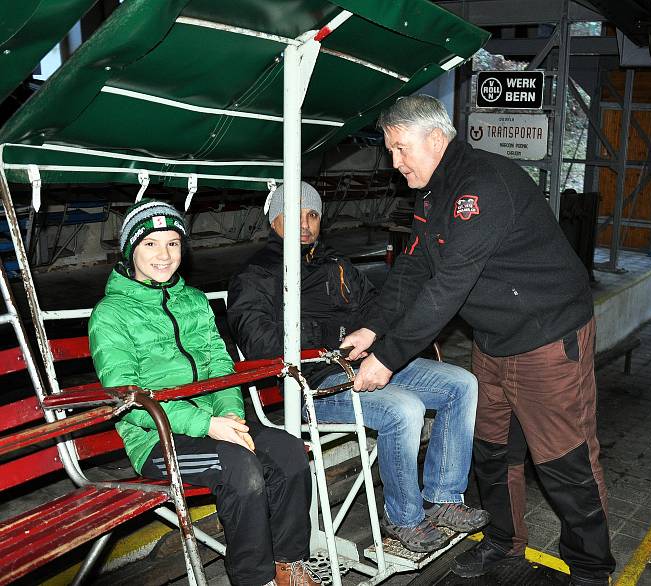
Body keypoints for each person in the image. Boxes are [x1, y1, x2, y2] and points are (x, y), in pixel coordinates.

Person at [342, 95, 616, 586]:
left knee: (565, 462)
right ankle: (503, 547)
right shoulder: (431, 191)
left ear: (435, 139)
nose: (395, 162)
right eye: (391, 152)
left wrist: (388, 357)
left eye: (401, 149)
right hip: (494, 340)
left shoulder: (483, 185)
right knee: (493, 454)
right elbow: (413, 268)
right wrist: (373, 328)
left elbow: (448, 285)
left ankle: (592, 571)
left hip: (546, 340)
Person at [226, 181, 489, 554]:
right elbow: (259, 343)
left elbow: (377, 312)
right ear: (274, 220)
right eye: (294, 215)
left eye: (313, 215)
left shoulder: (337, 265)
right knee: (404, 409)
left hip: (366, 365)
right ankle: (403, 520)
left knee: (461, 384)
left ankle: (444, 498)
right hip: (314, 383)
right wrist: (335, 339)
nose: (305, 223)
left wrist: (399, 338)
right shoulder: (255, 275)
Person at [88, 199, 320, 586]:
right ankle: (253, 579)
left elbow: (220, 366)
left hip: (215, 420)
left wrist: (229, 414)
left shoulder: (194, 302)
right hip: (157, 437)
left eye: (173, 243)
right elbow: (127, 398)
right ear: (131, 250)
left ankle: (288, 564)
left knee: (289, 452)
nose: (164, 255)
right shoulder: (110, 315)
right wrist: (207, 424)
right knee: (242, 470)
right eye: (150, 244)